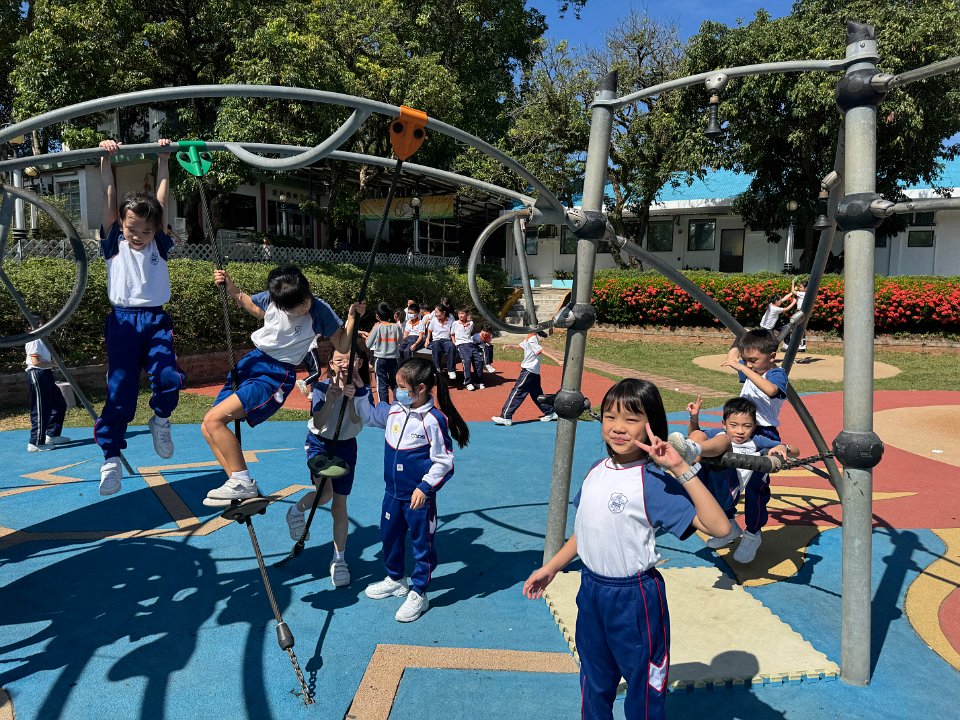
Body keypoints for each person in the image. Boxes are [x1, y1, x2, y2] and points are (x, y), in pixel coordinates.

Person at [522, 378, 731, 720]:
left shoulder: (653, 482)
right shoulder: (596, 471)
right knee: (594, 679)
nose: (618, 427)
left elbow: (720, 528)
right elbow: (585, 533)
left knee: (644, 685)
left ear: (651, 425)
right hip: (591, 591)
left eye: (631, 419)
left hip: (635, 598)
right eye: (610, 416)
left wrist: (680, 469)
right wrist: (552, 567)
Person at [201, 265, 363, 506]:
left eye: (305, 301)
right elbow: (255, 308)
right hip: (252, 363)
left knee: (214, 420)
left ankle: (242, 482)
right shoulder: (274, 297)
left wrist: (351, 319)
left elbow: (342, 344)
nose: (303, 307)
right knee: (207, 427)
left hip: (275, 374)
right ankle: (240, 485)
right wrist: (230, 286)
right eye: (294, 307)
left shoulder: (319, 310)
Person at [95, 138, 183, 496]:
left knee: (169, 378)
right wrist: (106, 161)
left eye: (146, 230)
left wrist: (163, 160)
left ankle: (160, 419)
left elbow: (162, 199)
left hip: (155, 321)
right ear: (121, 223)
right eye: (133, 229)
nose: (139, 236)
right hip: (123, 322)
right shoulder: (114, 241)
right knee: (121, 390)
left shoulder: (158, 243)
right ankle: (111, 458)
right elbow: (108, 196)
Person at [355, 357, 469, 622]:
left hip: (418, 498)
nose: (397, 392)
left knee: (422, 545)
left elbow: (444, 462)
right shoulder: (395, 410)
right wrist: (360, 388)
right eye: (396, 387)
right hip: (392, 493)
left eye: (402, 388)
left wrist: (425, 487)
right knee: (389, 537)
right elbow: (368, 416)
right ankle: (396, 579)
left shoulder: (433, 420)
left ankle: (419, 592)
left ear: (420, 389)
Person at [669, 395, 795, 563]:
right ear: (724, 424)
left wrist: (782, 447)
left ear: (754, 426)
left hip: (730, 488)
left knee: (722, 441)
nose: (740, 431)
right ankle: (690, 461)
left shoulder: (756, 441)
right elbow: (694, 434)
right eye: (733, 425)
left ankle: (752, 536)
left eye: (746, 426)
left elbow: (795, 450)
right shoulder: (719, 433)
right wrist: (694, 417)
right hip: (711, 486)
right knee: (699, 434)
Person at [288, 349, 369, 587]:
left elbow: (358, 421)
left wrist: (351, 400)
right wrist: (332, 399)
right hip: (320, 444)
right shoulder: (322, 388)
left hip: (346, 446)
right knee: (325, 494)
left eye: (350, 359)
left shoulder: (363, 392)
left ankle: (339, 559)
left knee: (340, 504)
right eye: (339, 359)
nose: (344, 363)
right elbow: (319, 421)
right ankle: (296, 511)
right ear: (331, 364)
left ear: (359, 363)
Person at [721, 329, 788, 442]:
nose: (748, 365)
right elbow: (731, 359)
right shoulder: (753, 369)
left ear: (772, 357)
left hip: (763, 430)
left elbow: (771, 390)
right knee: (718, 440)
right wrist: (740, 336)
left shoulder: (776, 374)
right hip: (741, 427)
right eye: (744, 360)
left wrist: (743, 368)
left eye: (753, 360)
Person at [24, 316, 70, 452]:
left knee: (59, 404)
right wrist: (54, 364)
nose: (45, 326)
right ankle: (35, 443)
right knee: (41, 410)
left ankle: (52, 434)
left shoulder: (41, 338)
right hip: (37, 373)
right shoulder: (34, 339)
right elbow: (36, 362)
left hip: (46, 374)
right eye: (41, 323)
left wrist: (51, 365)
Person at [492, 330, 556, 425]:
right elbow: (520, 346)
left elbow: (542, 351)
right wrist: (510, 346)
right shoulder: (529, 337)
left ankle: (506, 416)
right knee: (536, 394)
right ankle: (550, 412)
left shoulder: (532, 339)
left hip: (529, 371)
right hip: (533, 373)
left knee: (517, 391)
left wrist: (557, 361)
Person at [364, 301, 402, 404]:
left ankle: (384, 407)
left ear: (377, 315)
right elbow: (400, 341)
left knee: (382, 385)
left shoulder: (377, 327)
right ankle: (398, 405)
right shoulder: (396, 327)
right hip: (394, 359)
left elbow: (368, 344)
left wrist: (372, 330)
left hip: (380, 360)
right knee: (395, 384)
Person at [424, 304, 457, 380]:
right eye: (435, 312)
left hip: (446, 340)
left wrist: (455, 341)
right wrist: (427, 339)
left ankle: (451, 370)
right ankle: (437, 369)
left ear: (444, 313)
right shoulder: (434, 320)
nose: (435, 314)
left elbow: (453, 333)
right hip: (436, 340)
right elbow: (429, 330)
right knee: (435, 346)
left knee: (452, 347)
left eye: (437, 312)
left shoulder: (451, 320)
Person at [452, 307, 479, 390]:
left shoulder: (471, 323)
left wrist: (467, 322)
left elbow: (469, 324)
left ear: (466, 315)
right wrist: (454, 343)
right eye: (459, 314)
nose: (460, 315)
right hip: (461, 344)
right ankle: (468, 382)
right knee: (467, 361)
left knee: (478, 360)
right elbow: (452, 334)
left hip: (470, 343)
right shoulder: (455, 323)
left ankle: (478, 381)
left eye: (462, 314)